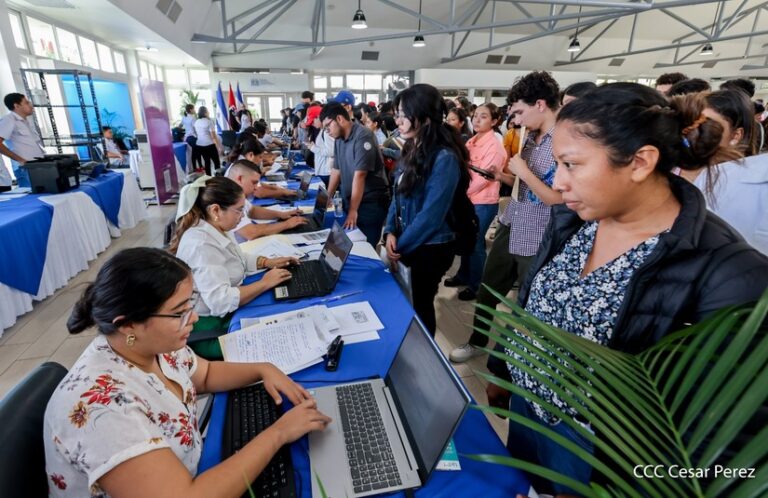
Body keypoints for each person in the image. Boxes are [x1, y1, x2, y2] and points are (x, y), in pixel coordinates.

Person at [488, 83, 768, 495]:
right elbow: (534, 302)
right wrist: (502, 368)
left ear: (639, 162)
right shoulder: (575, 222)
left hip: (604, 460)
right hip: (531, 417)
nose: (559, 182)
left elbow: (726, 453)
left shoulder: (727, 274)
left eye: (571, 165)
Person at [44, 247, 330, 498]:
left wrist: (262, 369)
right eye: (179, 312)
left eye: (190, 305)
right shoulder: (101, 408)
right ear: (128, 325)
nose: (193, 317)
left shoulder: (152, 345)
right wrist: (278, 433)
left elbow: (205, 374)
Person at [451, 71, 563, 363]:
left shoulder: (564, 141)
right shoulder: (531, 137)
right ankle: (477, 341)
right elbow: (523, 184)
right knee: (489, 288)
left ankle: (523, 360)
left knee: (526, 300)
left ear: (540, 104)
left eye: (520, 112)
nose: (516, 120)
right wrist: (503, 176)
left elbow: (558, 199)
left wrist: (524, 172)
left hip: (538, 233)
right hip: (512, 219)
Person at [169, 176, 299, 358]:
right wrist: (264, 283)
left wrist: (266, 262)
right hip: (209, 328)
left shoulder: (216, 227)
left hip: (224, 314)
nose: (243, 216)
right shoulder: (201, 245)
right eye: (238, 210)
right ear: (215, 210)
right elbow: (220, 301)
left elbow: (236, 258)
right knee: (282, 333)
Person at [383, 83, 468, 335]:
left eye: (404, 114)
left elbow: (431, 217)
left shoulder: (444, 158)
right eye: (397, 114)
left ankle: (425, 353)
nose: (398, 120)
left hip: (430, 247)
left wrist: (399, 247)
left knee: (420, 306)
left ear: (424, 116)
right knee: (407, 302)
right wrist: (389, 231)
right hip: (408, 240)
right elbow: (397, 194)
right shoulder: (412, 147)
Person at [445, 103, 506, 301]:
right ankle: (463, 275)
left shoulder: (494, 146)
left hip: (482, 202)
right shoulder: (472, 141)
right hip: (468, 200)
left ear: (495, 121)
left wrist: (458, 194)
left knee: (476, 244)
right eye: (476, 115)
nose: (477, 120)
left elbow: (483, 179)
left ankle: (476, 285)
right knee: (465, 240)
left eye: (484, 116)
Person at [322, 101, 390, 246]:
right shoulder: (339, 139)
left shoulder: (363, 136)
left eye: (328, 126)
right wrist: (328, 196)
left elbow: (360, 175)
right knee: (350, 245)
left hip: (369, 203)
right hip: (352, 200)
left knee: (365, 247)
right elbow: (336, 170)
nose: (327, 131)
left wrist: (353, 210)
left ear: (339, 119)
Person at [225, 159, 307, 240]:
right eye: (254, 183)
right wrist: (287, 224)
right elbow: (251, 232)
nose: (256, 187)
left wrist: (281, 214)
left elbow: (252, 210)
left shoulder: (235, 192)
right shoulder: (228, 197)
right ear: (240, 179)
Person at [0, 92, 45, 189]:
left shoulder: (25, 122)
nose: (31, 105)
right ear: (16, 106)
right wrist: (20, 160)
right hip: (25, 168)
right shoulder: (9, 120)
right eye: (27, 103)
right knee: (32, 195)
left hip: (36, 166)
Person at [227, 139, 296, 200]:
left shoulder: (242, 162)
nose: (261, 161)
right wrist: (284, 192)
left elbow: (258, 184)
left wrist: (278, 188)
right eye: (260, 157)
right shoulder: (243, 167)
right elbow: (259, 193)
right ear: (251, 155)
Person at [305, 104, 334, 187]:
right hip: (322, 170)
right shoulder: (322, 131)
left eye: (313, 121)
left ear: (319, 117)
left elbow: (331, 152)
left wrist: (313, 148)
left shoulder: (326, 132)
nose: (312, 124)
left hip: (326, 172)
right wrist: (314, 146)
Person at [193, 106, 221, 175]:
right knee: (216, 161)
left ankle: (208, 177)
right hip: (209, 144)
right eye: (207, 111)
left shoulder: (196, 122)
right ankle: (218, 177)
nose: (209, 112)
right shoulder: (209, 122)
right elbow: (213, 136)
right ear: (205, 113)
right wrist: (218, 147)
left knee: (207, 161)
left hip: (200, 145)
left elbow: (197, 133)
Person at [181, 104, 202, 170]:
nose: (194, 110)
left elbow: (180, 126)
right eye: (193, 109)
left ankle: (197, 167)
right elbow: (196, 128)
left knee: (194, 153)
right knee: (197, 153)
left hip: (187, 138)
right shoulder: (193, 118)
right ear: (190, 110)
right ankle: (198, 167)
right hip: (193, 137)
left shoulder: (184, 117)